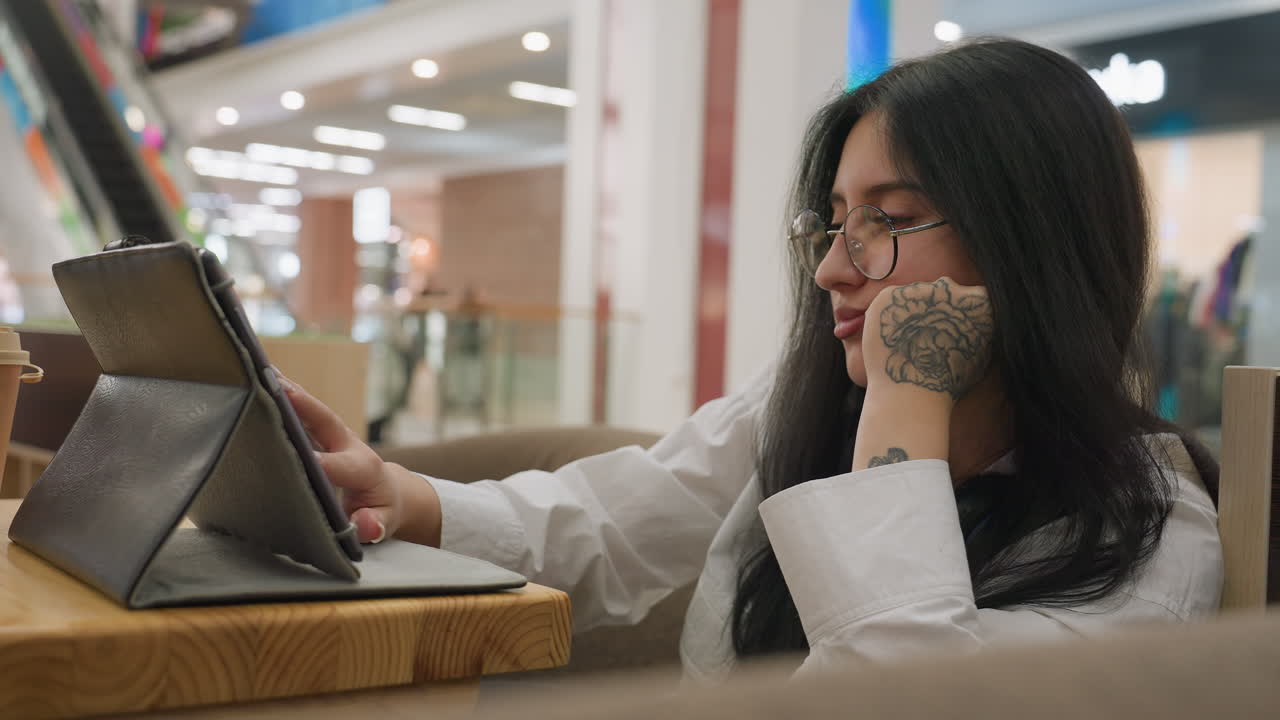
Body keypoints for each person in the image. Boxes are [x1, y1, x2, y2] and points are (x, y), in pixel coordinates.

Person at [281, 38, 1222, 682]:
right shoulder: (801, 406)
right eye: (835, 223)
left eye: (887, 223)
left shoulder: (1152, 530)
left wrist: (904, 402)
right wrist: (405, 496)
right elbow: (613, 521)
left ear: (1035, 244)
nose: (830, 269)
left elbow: (895, 699)